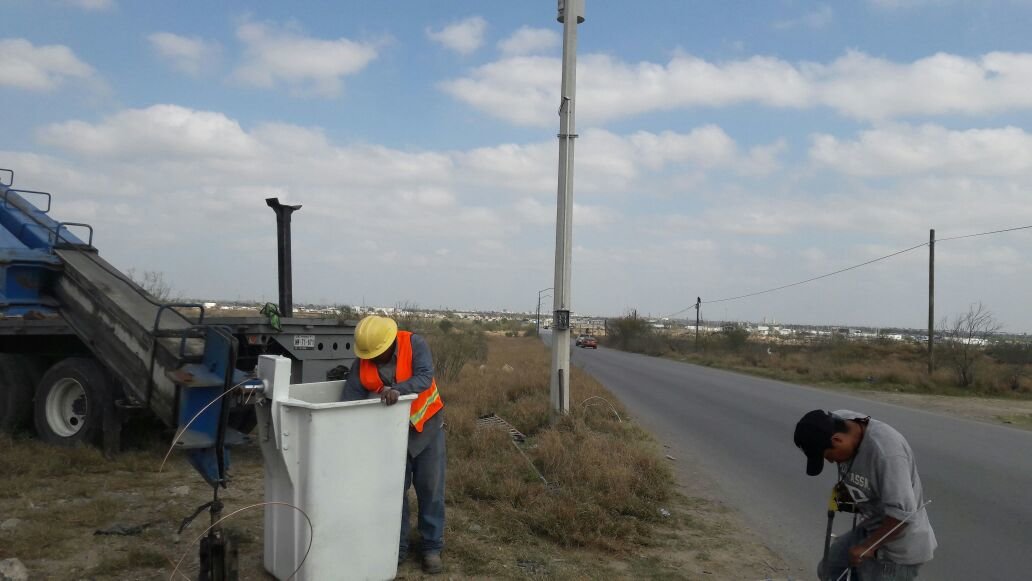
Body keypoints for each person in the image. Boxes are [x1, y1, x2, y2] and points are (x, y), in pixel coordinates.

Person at [340, 315, 446, 574]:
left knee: (430, 490)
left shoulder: (414, 344)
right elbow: (350, 398)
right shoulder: (362, 363)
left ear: (389, 343)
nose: (372, 358)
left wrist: (399, 389)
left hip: (427, 429)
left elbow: (424, 376)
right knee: (394, 493)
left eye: (377, 353)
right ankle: (396, 548)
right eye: (368, 355)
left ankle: (431, 547)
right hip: (390, 436)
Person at [793, 409, 936, 580]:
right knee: (829, 571)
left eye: (828, 456)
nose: (831, 462)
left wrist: (868, 547)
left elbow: (902, 515)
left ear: (837, 440)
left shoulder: (887, 453)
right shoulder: (840, 421)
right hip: (870, 527)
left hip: (898, 547)